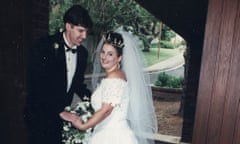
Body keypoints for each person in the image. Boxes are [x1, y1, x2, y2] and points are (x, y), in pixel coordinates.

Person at [60, 29, 158, 144]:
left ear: (119, 58)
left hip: (111, 136)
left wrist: (83, 126)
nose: (104, 57)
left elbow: (106, 110)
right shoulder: (115, 75)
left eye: (110, 54)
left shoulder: (114, 79)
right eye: (103, 52)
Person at [24, 5, 93, 144]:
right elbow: (36, 86)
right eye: (80, 31)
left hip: (62, 123)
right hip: (40, 118)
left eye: (86, 31)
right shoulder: (44, 46)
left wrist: (94, 102)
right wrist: (59, 112)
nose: (84, 36)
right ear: (68, 26)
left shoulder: (82, 54)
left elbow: (78, 84)